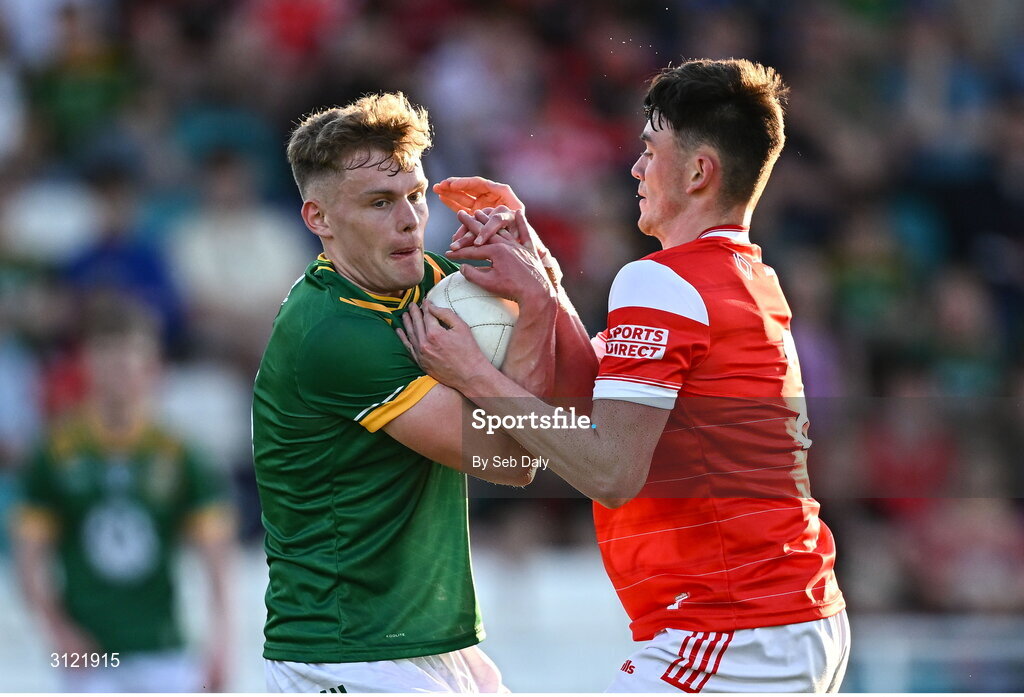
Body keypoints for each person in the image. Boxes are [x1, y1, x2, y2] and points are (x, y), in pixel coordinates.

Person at [403, 58, 850, 692]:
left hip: (729, 630)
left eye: (650, 150)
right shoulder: (742, 278)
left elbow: (609, 471)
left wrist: (473, 376)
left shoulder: (659, 282)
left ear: (699, 172)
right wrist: (541, 276)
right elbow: (599, 398)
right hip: (776, 617)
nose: (636, 169)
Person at [251, 91, 594, 693]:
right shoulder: (334, 333)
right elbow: (513, 462)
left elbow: (578, 396)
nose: (409, 218)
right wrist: (517, 328)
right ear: (319, 219)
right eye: (380, 202)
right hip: (346, 651)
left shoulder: (429, 285)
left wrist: (540, 272)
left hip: (430, 641)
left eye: (414, 194)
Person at [12, 298, 236, 692]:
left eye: (129, 360)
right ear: (87, 364)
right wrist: (59, 632)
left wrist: (221, 643)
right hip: (89, 655)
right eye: (108, 359)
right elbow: (28, 559)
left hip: (164, 648)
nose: (120, 372)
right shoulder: (56, 452)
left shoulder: (180, 454)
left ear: (151, 366)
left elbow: (216, 561)